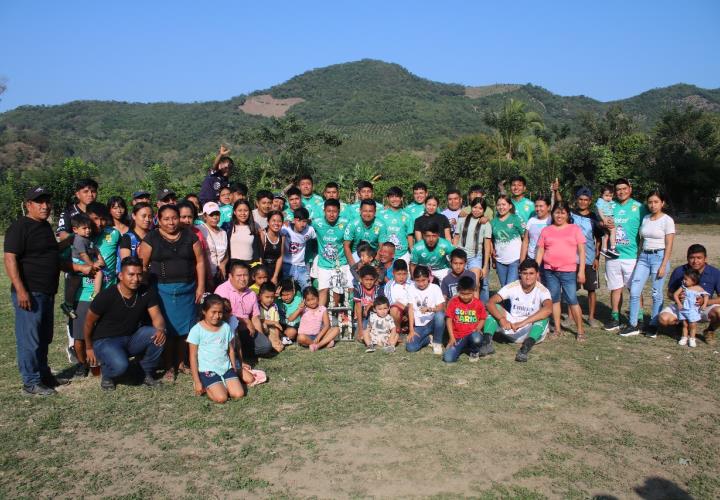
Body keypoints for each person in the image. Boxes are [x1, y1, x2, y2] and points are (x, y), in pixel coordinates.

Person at [4, 186, 68, 395]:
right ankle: (30, 382)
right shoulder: (20, 227)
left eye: (47, 202)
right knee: (29, 339)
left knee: (44, 337)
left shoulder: (44, 227)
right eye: (39, 202)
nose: (45, 206)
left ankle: (43, 374)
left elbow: (50, 252)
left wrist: (71, 240)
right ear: (28, 205)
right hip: (30, 293)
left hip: (47, 292)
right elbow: (10, 258)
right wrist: (21, 290)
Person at [138, 204, 205, 379]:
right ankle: (168, 365)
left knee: (186, 330)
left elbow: (200, 262)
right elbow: (143, 265)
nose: (171, 222)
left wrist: (201, 286)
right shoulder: (151, 239)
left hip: (188, 290)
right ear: (158, 220)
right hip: (161, 291)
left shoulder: (190, 236)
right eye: (166, 219)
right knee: (166, 329)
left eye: (174, 218)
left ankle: (181, 363)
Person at [83, 257, 165, 391]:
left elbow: (156, 316)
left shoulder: (146, 291)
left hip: (131, 337)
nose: (136, 279)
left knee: (158, 334)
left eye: (139, 274)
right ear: (121, 275)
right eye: (131, 274)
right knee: (120, 366)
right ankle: (108, 373)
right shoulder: (106, 296)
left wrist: (161, 329)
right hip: (106, 340)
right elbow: (88, 322)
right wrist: (89, 347)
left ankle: (145, 373)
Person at [623, 190, 675, 337]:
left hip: (659, 257)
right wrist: (639, 257)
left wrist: (664, 265)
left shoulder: (667, 220)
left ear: (662, 203)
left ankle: (653, 324)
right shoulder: (645, 218)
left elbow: (669, 244)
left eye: (656, 202)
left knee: (656, 292)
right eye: (650, 202)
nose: (653, 205)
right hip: (644, 257)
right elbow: (642, 240)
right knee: (634, 290)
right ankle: (633, 324)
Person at [482, 259, 553, 362]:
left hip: (531, 330)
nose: (528, 277)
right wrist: (502, 319)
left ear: (537, 274)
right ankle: (486, 344)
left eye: (531, 273)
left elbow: (548, 309)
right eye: (525, 273)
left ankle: (524, 350)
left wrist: (522, 323)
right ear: (520, 274)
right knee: (495, 309)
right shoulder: (513, 286)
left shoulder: (542, 290)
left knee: (544, 316)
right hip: (512, 327)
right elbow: (490, 303)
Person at [534, 201, 586, 340]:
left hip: (568, 271)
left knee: (572, 300)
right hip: (550, 271)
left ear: (568, 214)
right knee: (555, 300)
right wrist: (536, 269)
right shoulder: (546, 230)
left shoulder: (574, 229)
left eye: (563, 213)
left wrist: (581, 271)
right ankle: (557, 329)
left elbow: (581, 252)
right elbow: (540, 251)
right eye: (557, 212)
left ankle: (580, 331)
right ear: (552, 214)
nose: (559, 215)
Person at [603, 178, 649, 331]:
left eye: (624, 188)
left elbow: (647, 230)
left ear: (630, 189)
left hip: (631, 256)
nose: (621, 192)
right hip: (613, 255)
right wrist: (603, 224)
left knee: (634, 288)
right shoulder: (610, 206)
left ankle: (639, 318)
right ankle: (615, 317)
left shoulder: (640, 207)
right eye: (618, 190)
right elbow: (602, 225)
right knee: (615, 288)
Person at [188, 294, 245, 403]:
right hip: (208, 370)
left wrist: (233, 368)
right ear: (204, 311)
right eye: (213, 312)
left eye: (220, 312)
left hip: (226, 368)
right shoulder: (196, 330)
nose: (217, 316)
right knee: (221, 398)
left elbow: (231, 350)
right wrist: (197, 381)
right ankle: (207, 385)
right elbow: (193, 356)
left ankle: (223, 384)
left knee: (239, 394)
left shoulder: (225, 327)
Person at [658, 244, 720, 345]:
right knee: (663, 319)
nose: (695, 261)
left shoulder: (715, 273)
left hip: (703, 308)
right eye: (692, 258)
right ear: (687, 258)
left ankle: (710, 331)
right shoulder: (679, 271)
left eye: (699, 258)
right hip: (683, 307)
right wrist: (678, 297)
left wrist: (705, 301)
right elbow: (669, 293)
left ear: (705, 258)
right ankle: (680, 326)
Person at [215, 261, 272, 357]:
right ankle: (234, 351)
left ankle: (240, 352)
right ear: (230, 276)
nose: (242, 279)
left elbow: (255, 317)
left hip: (246, 331)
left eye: (245, 275)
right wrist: (244, 320)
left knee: (265, 346)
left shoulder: (251, 293)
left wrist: (261, 337)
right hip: (229, 331)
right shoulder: (221, 291)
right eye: (239, 275)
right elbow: (221, 317)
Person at [61, 213, 105, 320]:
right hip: (78, 264)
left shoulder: (88, 239)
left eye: (89, 228)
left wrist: (101, 260)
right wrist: (92, 264)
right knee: (73, 284)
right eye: (84, 228)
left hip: (85, 264)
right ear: (75, 229)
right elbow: (83, 255)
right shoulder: (78, 239)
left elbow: (95, 250)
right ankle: (68, 304)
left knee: (98, 274)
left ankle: (95, 293)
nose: (88, 230)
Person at [571, 188, 604, 328]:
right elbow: (557, 205)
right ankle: (571, 316)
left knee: (591, 289)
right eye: (580, 199)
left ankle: (591, 317)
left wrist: (597, 258)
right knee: (571, 289)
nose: (583, 202)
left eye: (586, 200)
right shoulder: (571, 215)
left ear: (590, 201)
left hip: (589, 258)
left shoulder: (594, 218)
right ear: (576, 200)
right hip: (572, 258)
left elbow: (598, 239)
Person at [312, 199, 353, 306]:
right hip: (324, 264)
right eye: (328, 211)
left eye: (334, 211)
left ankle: (335, 315)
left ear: (339, 212)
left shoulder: (345, 223)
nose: (331, 214)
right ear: (324, 211)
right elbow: (304, 225)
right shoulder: (317, 223)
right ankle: (321, 315)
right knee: (323, 290)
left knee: (338, 292)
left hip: (341, 264)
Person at [454, 197, 492, 302]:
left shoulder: (486, 224)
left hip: (475, 257)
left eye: (480, 208)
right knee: (460, 283)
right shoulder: (462, 220)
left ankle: (475, 310)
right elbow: (456, 238)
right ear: (471, 207)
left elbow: (487, 246)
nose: (477, 210)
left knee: (475, 283)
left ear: (484, 210)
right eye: (475, 207)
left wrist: (484, 267)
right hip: (461, 256)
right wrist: (453, 256)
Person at [443, 276, 487, 363]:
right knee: (448, 358)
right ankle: (462, 347)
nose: (466, 297)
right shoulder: (454, 302)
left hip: (472, 334)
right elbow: (448, 319)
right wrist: (451, 337)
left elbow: (483, 318)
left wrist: (478, 329)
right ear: (458, 291)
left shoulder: (478, 303)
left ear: (474, 291)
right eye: (463, 294)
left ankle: (474, 351)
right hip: (458, 336)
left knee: (476, 338)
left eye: (469, 294)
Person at [406, 265, 446, 355]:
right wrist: (411, 330)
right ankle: (428, 339)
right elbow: (411, 309)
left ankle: (437, 342)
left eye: (423, 280)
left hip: (432, 322)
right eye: (418, 281)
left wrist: (429, 309)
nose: (421, 284)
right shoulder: (411, 288)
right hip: (419, 325)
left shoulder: (435, 288)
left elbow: (441, 307)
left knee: (440, 315)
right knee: (411, 347)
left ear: (429, 278)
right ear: (414, 279)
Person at [490, 194, 526, 287]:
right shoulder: (493, 222)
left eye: (504, 204)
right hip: (500, 260)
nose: (501, 207)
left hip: (515, 259)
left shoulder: (516, 219)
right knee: (504, 288)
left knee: (510, 286)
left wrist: (523, 258)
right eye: (499, 205)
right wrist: (492, 253)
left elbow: (525, 238)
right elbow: (490, 240)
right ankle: (506, 302)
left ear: (510, 206)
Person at [281, 207, 317, 290]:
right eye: (299, 221)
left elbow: (317, 240)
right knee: (286, 290)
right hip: (287, 265)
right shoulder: (285, 228)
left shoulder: (310, 230)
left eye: (304, 221)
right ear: (294, 220)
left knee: (308, 290)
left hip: (301, 266)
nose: (302, 224)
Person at [343, 199, 388, 265]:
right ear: (360, 211)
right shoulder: (352, 224)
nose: (367, 214)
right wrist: (353, 266)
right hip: (356, 256)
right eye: (365, 211)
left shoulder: (381, 225)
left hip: (373, 257)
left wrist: (374, 265)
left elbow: (381, 247)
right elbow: (346, 246)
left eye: (370, 211)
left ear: (375, 212)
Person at [296, 286, 339, 351]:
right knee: (300, 337)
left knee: (336, 329)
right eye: (308, 300)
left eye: (313, 299)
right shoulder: (303, 309)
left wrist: (319, 337)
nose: (311, 302)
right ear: (304, 300)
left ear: (318, 298)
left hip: (318, 335)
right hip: (306, 337)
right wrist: (299, 309)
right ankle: (322, 344)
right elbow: (291, 319)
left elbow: (327, 325)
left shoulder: (322, 309)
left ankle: (318, 345)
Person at [674, 269, 709, 348]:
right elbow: (675, 294)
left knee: (693, 325)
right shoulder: (683, 287)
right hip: (683, 310)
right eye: (684, 278)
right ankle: (684, 337)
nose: (684, 280)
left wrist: (704, 304)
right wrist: (679, 303)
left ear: (694, 281)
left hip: (693, 310)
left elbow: (706, 295)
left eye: (686, 279)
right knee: (684, 324)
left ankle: (692, 339)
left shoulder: (698, 288)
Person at [199, 202, 229, 291]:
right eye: (211, 215)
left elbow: (226, 253)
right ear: (205, 216)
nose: (215, 217)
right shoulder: (200, 229)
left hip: (220, 275)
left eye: (217, 214)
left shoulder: (223, 232)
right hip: (205, 275)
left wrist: (223, 264)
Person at [380, 186, 413, 262]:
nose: (395, 199)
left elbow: (410, 236)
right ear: (387, 199)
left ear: (401, 198)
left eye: (397, 197)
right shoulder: (380, 215)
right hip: (384, 255)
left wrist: (412, 253)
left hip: (403, 255)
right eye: (392, 197)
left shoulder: (407, 216)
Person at [383, 259, 415, 334]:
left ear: (408, 273)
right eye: (399, 274)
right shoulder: (389, 285)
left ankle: (411, 328)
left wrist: (408, 312)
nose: (401, 277)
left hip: (411, 310)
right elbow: (391, 303)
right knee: (394, 309)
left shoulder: (412, 284)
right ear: (393, 273)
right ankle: (398, 329)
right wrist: (405, 309)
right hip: (398, 312)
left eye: (404, 274)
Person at [353, 265, 382, 343]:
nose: (369, 282)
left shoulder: (378, 289)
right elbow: (358, 309)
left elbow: (381, 306)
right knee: (360, 338)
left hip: (377, 317)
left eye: (371, 279)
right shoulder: (358, 289)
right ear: (361, 279)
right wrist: (360, 328)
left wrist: (370, 305)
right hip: (364, 318)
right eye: (366, 279)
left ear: (375, 279)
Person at [226, 199, 260, 264]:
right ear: (234, 212)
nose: (243, 213)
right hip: (233, 265)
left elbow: (257, 252)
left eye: (246, 210)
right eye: (240, 210)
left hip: (249, 266)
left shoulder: (254, 228)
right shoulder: (228, 227)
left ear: (249, 212)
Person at [520, 194, 552, 263]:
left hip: (547, 260)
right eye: (536, 206)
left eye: (541, 206)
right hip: (532, 258)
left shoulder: (552, 221)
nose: (538, 209)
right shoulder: (531, 221)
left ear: (548, 207)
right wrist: (522, 262)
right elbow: (525, 241)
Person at [257, 282, 285, 352]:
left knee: (280, 347)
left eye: (272, 297)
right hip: (261, 330)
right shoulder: (257, 306)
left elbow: (277, 325)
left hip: (272, 331)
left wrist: (277, 337)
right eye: (267, 297)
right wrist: (273, 322)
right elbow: (258, 321)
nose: (270, 299)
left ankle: (274, 343)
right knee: (264, 326)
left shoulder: (274, 306)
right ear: (260, 296)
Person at [259, 210, 285, 285]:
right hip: (263, 270)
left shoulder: (282, 237)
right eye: (273, 221)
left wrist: (275, 276)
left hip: (276, 271)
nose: (276, 223)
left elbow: (280, 256)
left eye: (279, 221)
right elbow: (260, 256)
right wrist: (262, 276)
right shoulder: (263, 234)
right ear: (268, 222)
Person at [596, 184, 619, 259]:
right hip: (606, 217)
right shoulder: (600, 201)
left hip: (608, 217)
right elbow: (599, 210)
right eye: (606, 195)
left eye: (610, 196)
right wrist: (604, 219)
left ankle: (604, 249)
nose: (609, 198)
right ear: (602, 194)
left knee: (606, 235)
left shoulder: (609, 201)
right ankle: (613, 248)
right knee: (613, 230)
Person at [277, 278, 302, 343]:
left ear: (294, 291)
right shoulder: (277, 301)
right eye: (283, 295)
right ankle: (283, 338)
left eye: (288, 294)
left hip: (294, 327)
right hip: (281, 326)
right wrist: (275, 296)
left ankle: (284, 338)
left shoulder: (298, 298)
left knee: (291, 332)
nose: (285, 297)